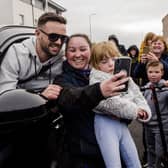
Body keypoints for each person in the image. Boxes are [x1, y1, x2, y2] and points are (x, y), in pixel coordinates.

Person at [0, 11, 129, 167]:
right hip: (24, 126)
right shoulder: (17, 54)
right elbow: (5, 96)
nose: (59, 42)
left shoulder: (64, 58)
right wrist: (39, 95)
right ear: (37, 33)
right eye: (53, 36)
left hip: (99, 142)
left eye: (63, 38)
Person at [53, 34, 129, 168]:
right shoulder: (62, 79)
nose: (78, 54)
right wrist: (99, 91)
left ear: (91, 50)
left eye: (83, 49)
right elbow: (70, 98)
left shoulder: (105, 74)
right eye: (72, 50)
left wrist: (127, 114)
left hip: (115, 150)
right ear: (66, 54)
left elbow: (127, 104)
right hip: (84, 156)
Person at [89, 41, 151, 168]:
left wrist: (144, 110)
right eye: (104, 61)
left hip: (121, 124)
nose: (111, 64)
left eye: (113, 59)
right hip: (105, 124)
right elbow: (108, 103)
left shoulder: (123, 76)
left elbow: (137, 94)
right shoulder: (96, 79)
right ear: (96, 64)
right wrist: (136, 110)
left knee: (135, 163)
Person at [143, 61, 168, 168]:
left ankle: (158, 165)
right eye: (150, 72)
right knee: (150, 148)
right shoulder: (146, 88)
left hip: (162, 126)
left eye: (156, 72)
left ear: (162, 73)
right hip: (148, 125)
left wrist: (165, 85)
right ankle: (151, 165)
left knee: (160, 151)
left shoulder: (166, 89)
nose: (153, 74)